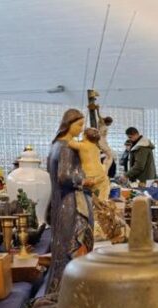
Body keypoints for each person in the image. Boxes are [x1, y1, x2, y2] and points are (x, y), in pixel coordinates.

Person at [45, 108, 94, 294]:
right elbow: (64, 176)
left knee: (62, 247)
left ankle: (58, 292)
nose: (81, 129)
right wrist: (84, 180)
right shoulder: (67, 146)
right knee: (75, 246)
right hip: (73, 203)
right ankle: (71, 294)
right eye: (79, 125)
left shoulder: (55, 145)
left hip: (62, 203)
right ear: (68, 124)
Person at [67, 127, 110, 200]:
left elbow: (69, 142)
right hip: (101, 175)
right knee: (101, 200)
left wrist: (70, 132)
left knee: (84, 198)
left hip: (89, 176)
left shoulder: (82, 146)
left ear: (85, 136)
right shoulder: (96, 147)